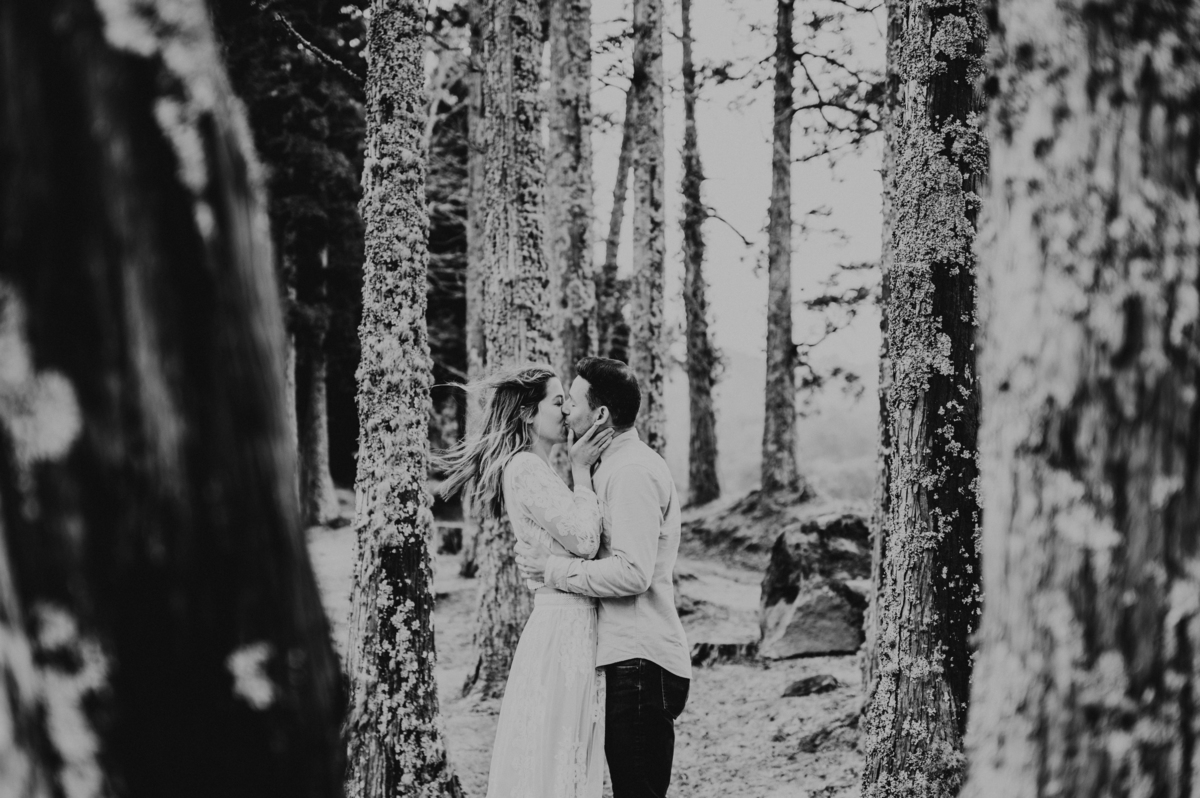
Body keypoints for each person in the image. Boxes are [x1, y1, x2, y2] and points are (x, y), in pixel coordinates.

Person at [517, 356, 692, 798]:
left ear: (599, 415)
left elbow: (634, 572)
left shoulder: (631, 471)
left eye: (570, 402)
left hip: (641, 661)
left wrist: (551, 570)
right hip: (628, 660)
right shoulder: (608, 468)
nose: (564, 412)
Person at [438, 364, 615, 798]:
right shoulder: (526, 468)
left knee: (563, 750)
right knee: (559, 751)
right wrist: (580, 472)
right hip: (564, 626)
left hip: (568, 620)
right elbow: (587, 539)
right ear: (528, 414)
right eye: (558, 402)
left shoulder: (535, 468)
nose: (567, 411)